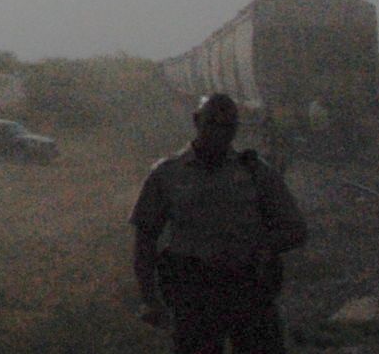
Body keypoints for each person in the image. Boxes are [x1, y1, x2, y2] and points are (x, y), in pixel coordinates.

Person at [132, 93, 308, 353]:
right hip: (194, 293)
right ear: (196, 121)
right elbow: (145, 238)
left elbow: (295, 228)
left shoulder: (255, 171)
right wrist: (150, 298)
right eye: (211, 123)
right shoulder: (167, 174)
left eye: (228, 126)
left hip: (248, 289)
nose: (219, 133)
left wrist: (265, 247)